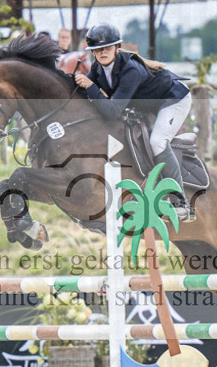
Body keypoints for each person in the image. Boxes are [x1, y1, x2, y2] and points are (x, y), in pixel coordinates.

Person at [74, 23, 193, 220]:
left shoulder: (131, 69)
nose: (103, 52)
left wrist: (91, 87)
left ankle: (181, 203)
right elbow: (86, 94)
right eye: (98, 49)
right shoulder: (97, 68)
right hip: (148, 104)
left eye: (107, 47)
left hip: (173, 99)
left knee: (157, 141)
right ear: (93, 52)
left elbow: (112, 111)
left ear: (116, 47)